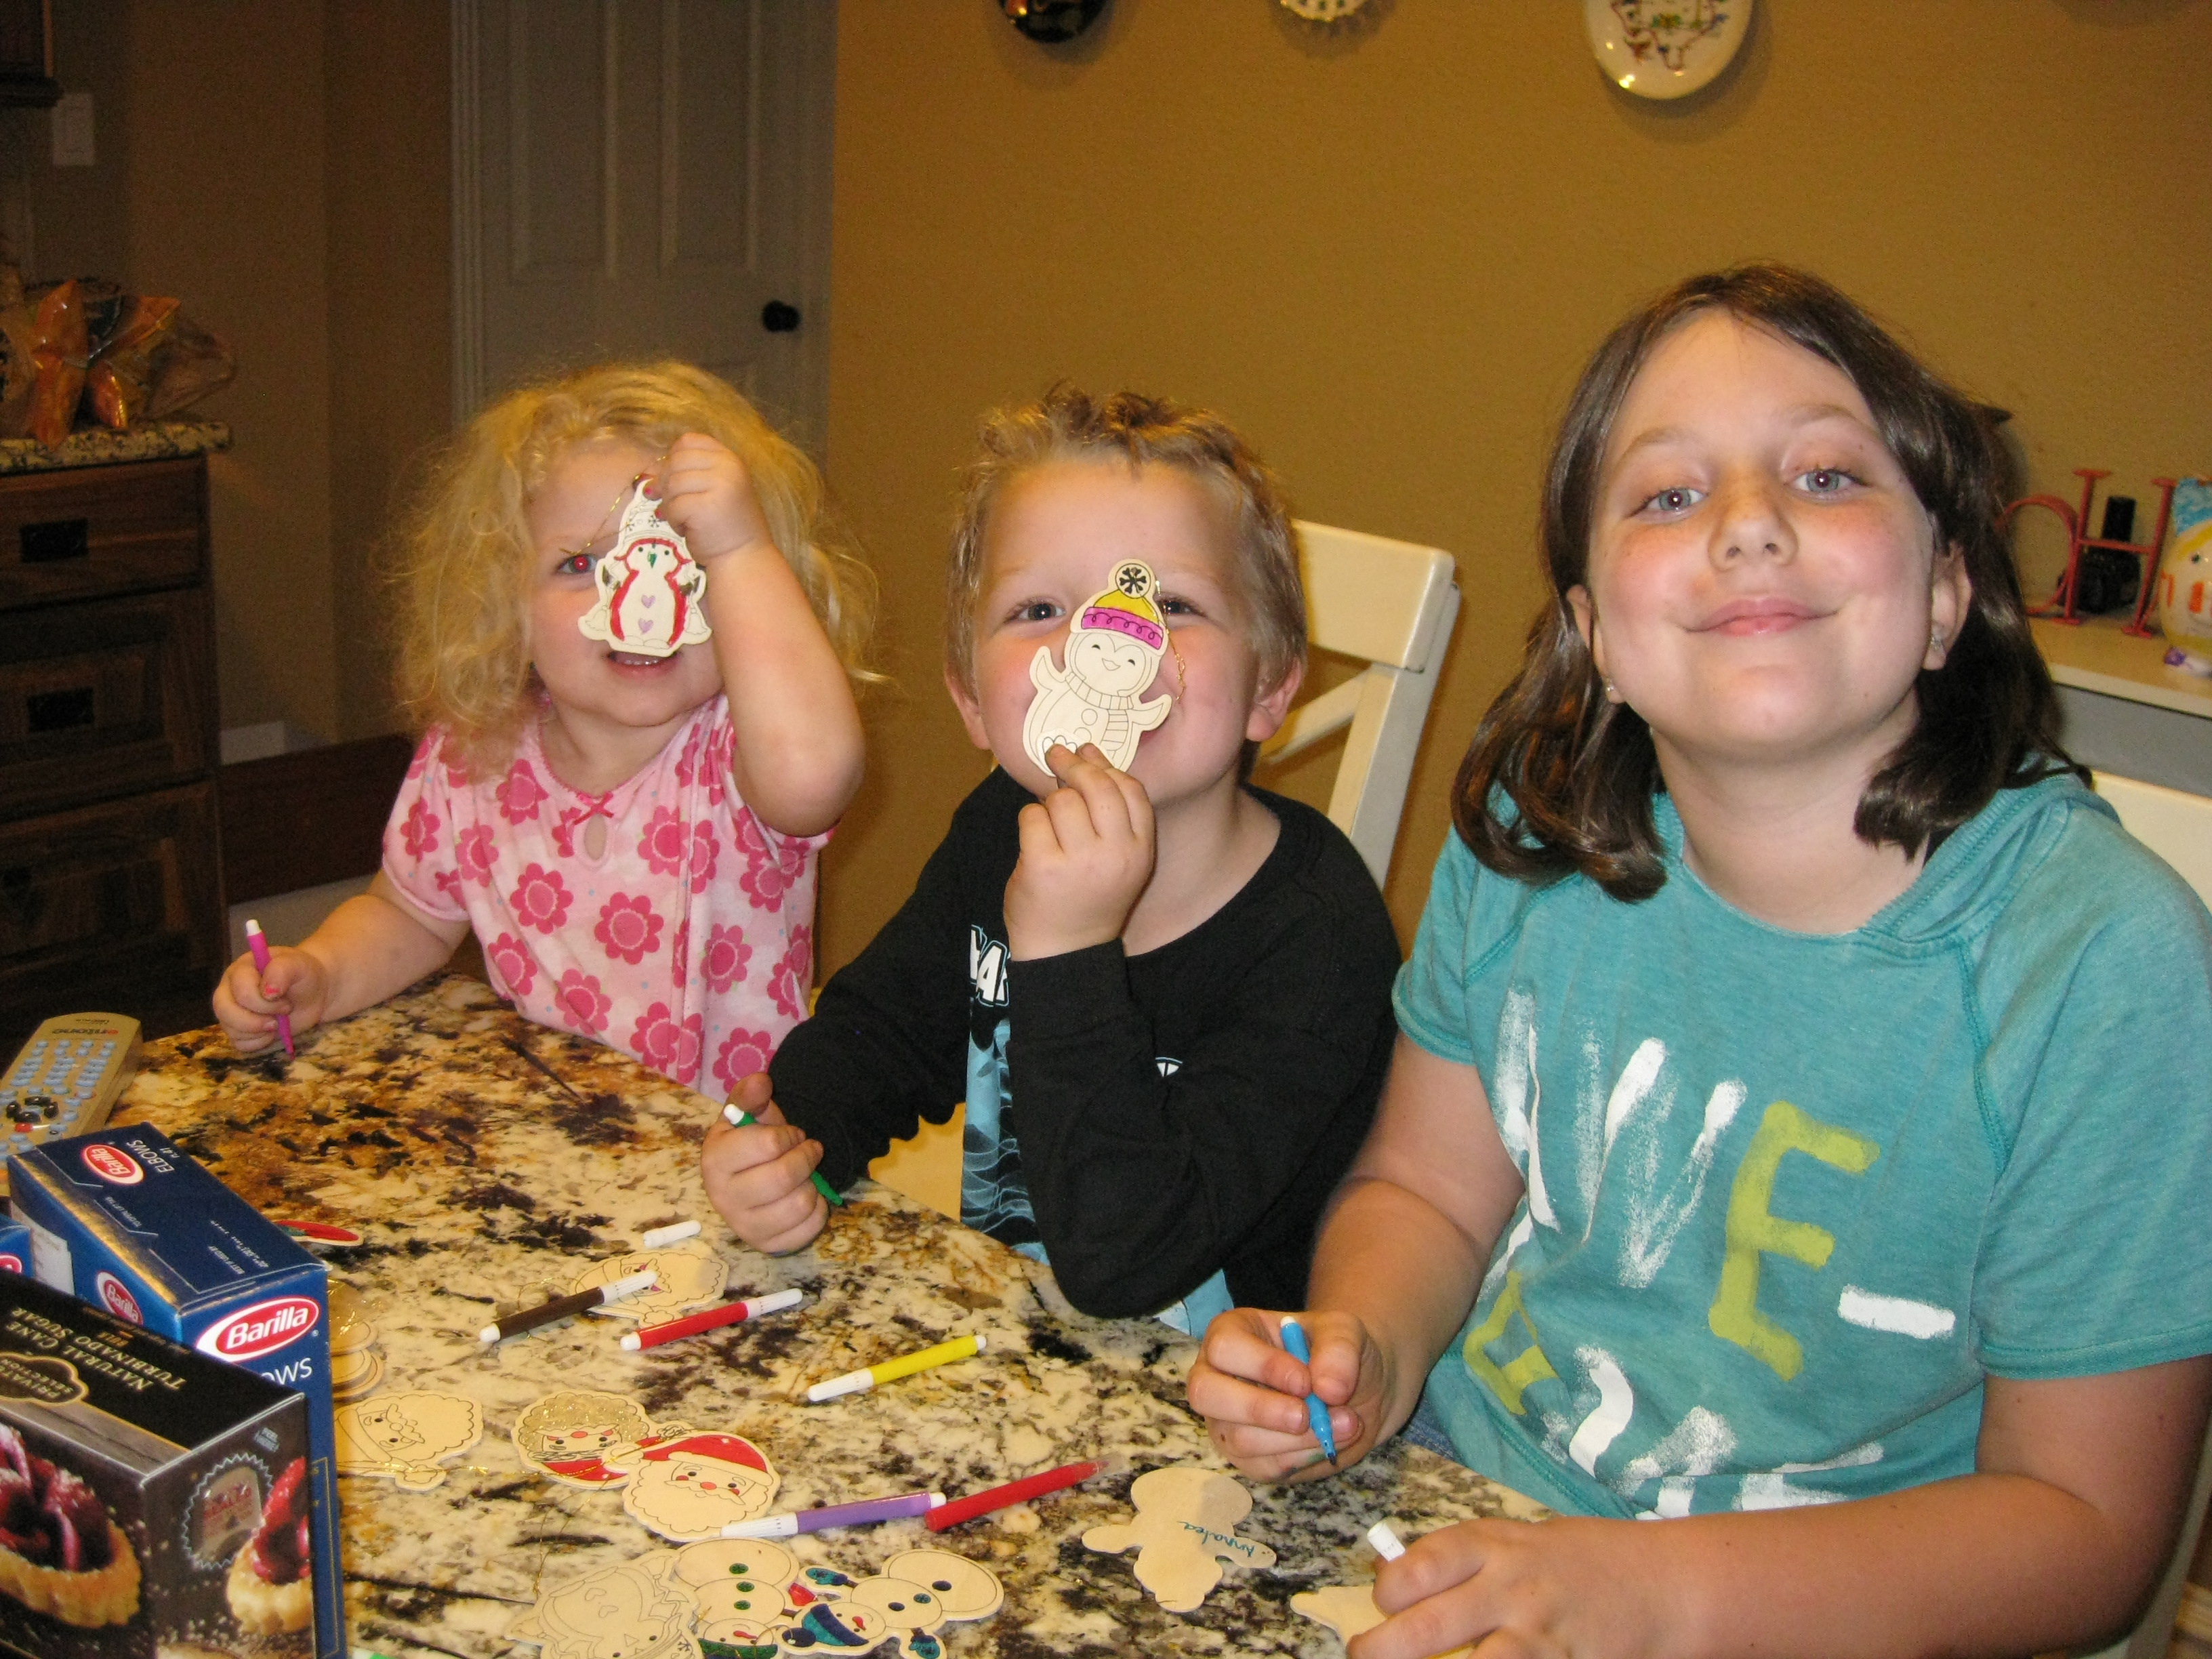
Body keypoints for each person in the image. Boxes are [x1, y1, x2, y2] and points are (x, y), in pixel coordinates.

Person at [1189, 266, 2212, 1657]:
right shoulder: (1531, 839)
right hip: (1467, 1508)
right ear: (1595, 634)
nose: (1747, 524)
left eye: (1827, 475)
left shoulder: (2097, 963)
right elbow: (1424, 1188)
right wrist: (1364, 1345)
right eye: (1668, 495)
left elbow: (2083, 1528)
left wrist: (1649, 1594)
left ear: (1943, 594)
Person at [699, 388, 1401, 1328]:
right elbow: (884, 1036)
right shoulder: (999, 830)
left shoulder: (1319, 938)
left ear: (1269, 687)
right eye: (1039, 609)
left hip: (1235, 1386)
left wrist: (1068, 951)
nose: (1098, 643)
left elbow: (1126, 1264)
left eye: (1171, 605)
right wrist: (790, 1146)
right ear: (973, 703)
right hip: (1020, 1343)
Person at [213, 363, 873, 1092]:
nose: (635, 599)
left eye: (684, 559)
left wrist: (741, 550)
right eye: (580, 563)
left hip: (739, 1144)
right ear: (507, 603)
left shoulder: (743, 750)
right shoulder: (475, 755)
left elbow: (813, 773)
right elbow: (411, 917)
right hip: (558, 1129)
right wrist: (324, 974)